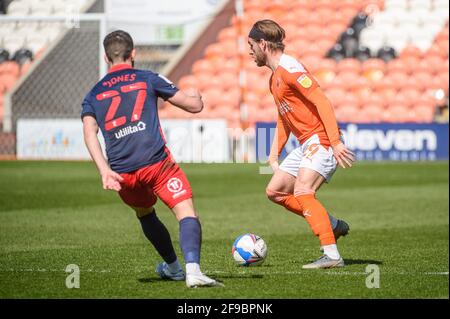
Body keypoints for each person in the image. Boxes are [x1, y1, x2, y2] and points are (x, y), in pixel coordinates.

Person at [81, 30, 222, 287]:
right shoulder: (148, 78)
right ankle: (193, 271)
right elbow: (193, 106)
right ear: (133, 53)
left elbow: (89, 133)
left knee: (145, 214)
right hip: (157, 165)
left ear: (105, 57)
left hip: (122, 173)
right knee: (185, 212)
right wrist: (197, 96)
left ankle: (173, 268)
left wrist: (104, 170)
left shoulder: (93, 93)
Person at [248, 20, 355, 269]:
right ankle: (331, 224)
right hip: (307, 143)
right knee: (275, 191)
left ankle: (331, 254)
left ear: (263, 44)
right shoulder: (274, 78)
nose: (249, 51)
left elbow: (322, 102)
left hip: (322, 139)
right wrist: (274, 154)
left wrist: (335, 142)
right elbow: (284, 118)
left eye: (252, 45)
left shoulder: (290, 68)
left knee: (303, 192)